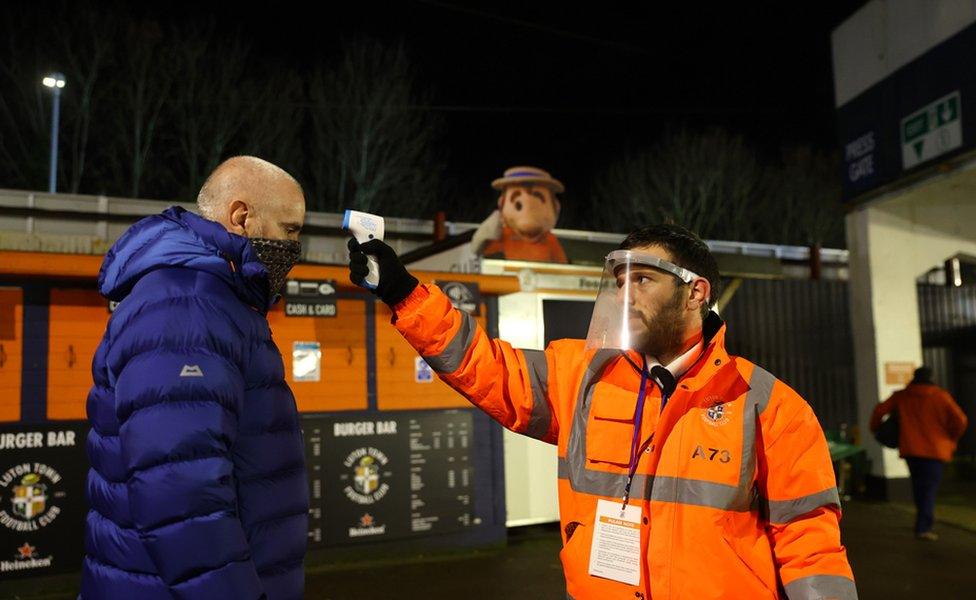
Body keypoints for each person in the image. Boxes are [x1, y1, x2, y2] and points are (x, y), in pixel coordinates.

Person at [347, 224, 856, 599]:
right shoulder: (583, 375)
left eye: (643, 281)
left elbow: (810, 542)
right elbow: (487, 367)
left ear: (695, 292)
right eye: (619, 280)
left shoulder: (769, 405)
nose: (624, 294)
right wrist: (404, 294)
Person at [82, 156, 309, 599]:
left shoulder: (214, 300)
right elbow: (180, 489)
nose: (296, 247)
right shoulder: (188, 303)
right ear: (242, 217)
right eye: (291, 230)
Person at [870, 366, 968, 541]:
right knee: (929, 488)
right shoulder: (940, 396)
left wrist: (876, 429)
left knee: (919, 487)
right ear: (932, 377)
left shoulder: (902, 396)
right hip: (935, 451)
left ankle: (921, 522)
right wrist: (950, 437)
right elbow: (960, 420)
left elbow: (879, 411)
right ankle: (923, 527)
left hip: (911, 449)